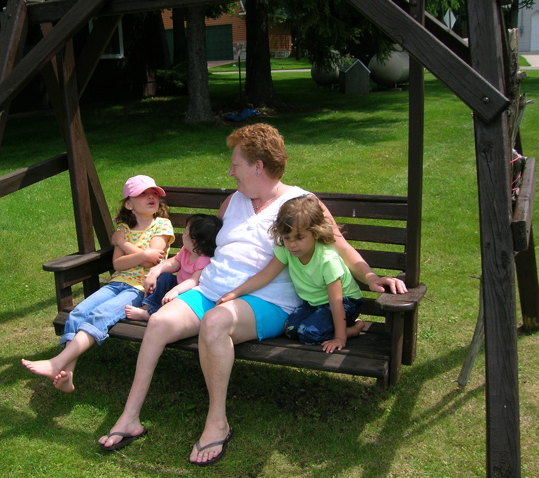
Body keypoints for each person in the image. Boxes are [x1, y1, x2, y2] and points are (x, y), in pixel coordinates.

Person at [98, 123, 407, 463]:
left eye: (235, 164)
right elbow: (207, 247)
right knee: (158, 323)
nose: (230, 171)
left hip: (266, 300)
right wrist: (173, 270)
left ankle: (217, 423)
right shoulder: (233, 201)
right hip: (211, 290)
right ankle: (129, 418)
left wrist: (372, 276)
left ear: (257, 166)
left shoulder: (300, 203)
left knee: (216, 323)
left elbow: (340, 245)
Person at [21, 175, 174, 393]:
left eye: (154, 194)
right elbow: (118, 264)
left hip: (140, 289)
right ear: (129, 204)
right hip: (116, 283)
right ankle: (68, 375)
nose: (151, 197)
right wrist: (139, 253)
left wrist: (122, 244)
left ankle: (57, 362)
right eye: (143, 194)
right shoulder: (123, 228)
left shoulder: (161, 225)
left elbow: (152, 260)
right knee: (77, 312)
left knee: (101, 314)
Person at [217, 194, 365, 353]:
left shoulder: (327, 259)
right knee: (289, 329)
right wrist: (235, 293)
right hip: (314, 303)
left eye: (300, 237)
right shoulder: (286, 251)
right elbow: (266, 275)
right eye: (287, 238)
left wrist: (340, 338)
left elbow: (336, 302)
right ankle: (333, 326)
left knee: (309, 333)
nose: (292, 244)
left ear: (315, 233)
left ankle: (353, 329)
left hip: (344, 303)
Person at [125, 214, 223, 321]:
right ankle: (148, 305)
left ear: (193, 241)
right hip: (177, 284)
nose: (183, 234)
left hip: (189, 293)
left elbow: (193, 281)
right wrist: (155, 274)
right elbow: (172, 264)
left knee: (172, 302)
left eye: (186, 232)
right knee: (165, 277)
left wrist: (176, 290)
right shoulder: (186, 251)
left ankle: (148, 314)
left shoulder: (204, 260)